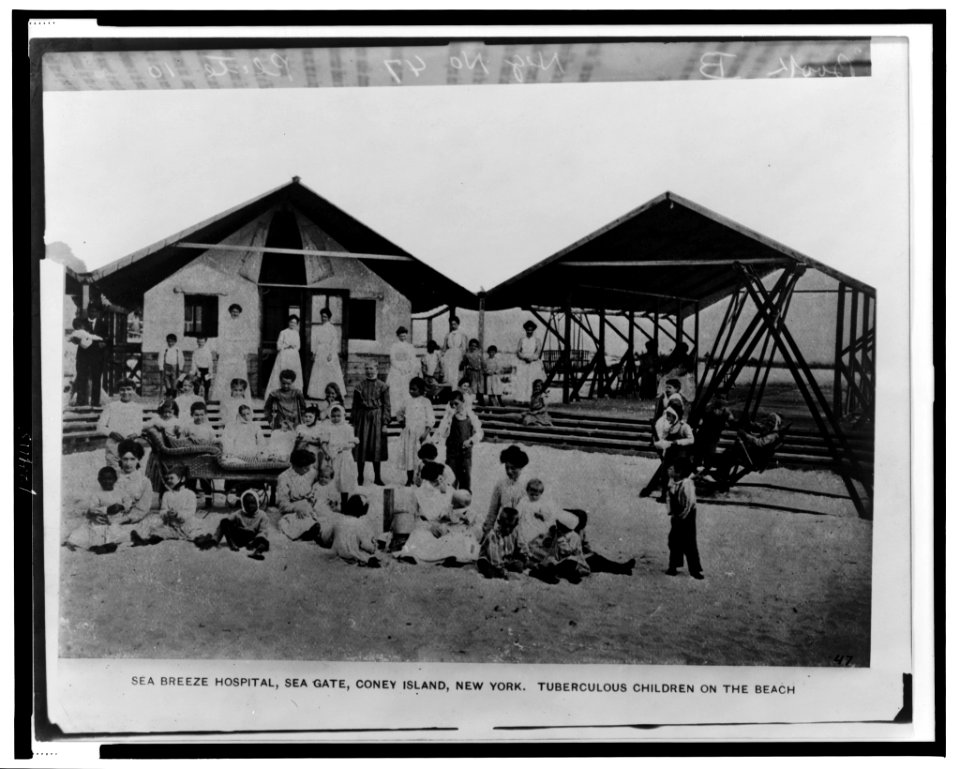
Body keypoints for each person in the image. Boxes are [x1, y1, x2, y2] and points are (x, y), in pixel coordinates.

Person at [397, 466, 480, 565]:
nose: (439, 481)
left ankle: (451, 556)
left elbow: (459, 508)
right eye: (434, 481)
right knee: (418, 536)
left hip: (447, 526)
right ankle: (441, 556)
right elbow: (416, 519)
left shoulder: (448, 489)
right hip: (428, 527)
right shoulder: (418, 493)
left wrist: (453, 518)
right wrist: (429, 526)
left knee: (459, 537)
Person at [130, 464, 208, 546]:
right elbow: (162, 510)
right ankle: (145, 541)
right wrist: (167, 513)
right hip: (171, 525)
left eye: (172, 478)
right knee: (157, 533)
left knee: (195, 534)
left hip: (185, 524)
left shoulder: (190, 494)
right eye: (168, 478)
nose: (169, 480)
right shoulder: (167, 494)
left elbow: (190, 513)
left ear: (182, 479)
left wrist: (178, 514)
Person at [63, 466, 127, 554]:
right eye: (104, 479)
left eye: (110, 479)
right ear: (99, 480)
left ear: (115, 479)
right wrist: (106, 510)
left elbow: (128, 501)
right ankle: (96, 547)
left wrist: (122, 506)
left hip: (115, 520)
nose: (107, 482)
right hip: (101, 520)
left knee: (118, 533)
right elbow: (93, 508)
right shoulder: (97, 494)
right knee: (96, 532)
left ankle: (109, 545)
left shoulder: (120, 492)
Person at [639, 403, 695, 501]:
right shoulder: (670, 427)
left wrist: (678, 442)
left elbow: (691, 440)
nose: (667, 417)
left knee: (677, 477)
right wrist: (658, 442)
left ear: (676, 416)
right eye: (667, 415)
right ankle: (664, 495)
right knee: (664, 474)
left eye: (670, 415)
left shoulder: (684, 427)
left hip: (680, 455)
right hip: (670, 454)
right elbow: (664, 439)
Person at [431, 390, 483, 492]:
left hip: (465, 454)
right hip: (452, 453)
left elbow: (480, 432)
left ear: (463, 402)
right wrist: (433, 441)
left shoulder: (469, 416)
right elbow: (441, 431)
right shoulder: (449, 417)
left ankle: (464, 502)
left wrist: (471, 440)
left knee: (465, 479)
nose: (454, 406)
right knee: (451, 478)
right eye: (452, 404)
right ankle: (451, 502)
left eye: (456, 403)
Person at [201, 489, 270, 560]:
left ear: (257, 503)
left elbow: (263, 531)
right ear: (243, 504)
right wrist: (215, 539)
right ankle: (232, 544)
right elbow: (225, 522)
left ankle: (258, 552)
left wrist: (255, 541)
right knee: (224, 521)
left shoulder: (262, 515)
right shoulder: (239, 513)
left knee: (264, 541)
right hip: (239, 536)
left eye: (252, 503)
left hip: (252, 538)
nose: (250, 506)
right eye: (247, 503)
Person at [351, 361, 390, 487]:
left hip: (377, 418)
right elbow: (355, 406)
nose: (369, 371)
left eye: (371, 368)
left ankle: (377, 477)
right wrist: (353, 422)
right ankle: (360, 476)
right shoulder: (359, 387)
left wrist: (385, 423)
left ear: (377, 369)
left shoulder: (383, 386)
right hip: (362, 418)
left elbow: (387, 406)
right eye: (367, 368)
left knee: (376, 447)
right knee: (361, 447)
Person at [527, 510, 591, 585]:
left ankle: (567, 575)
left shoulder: (574, 537)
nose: (558, 527)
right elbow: (549, 545)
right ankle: (543, 573)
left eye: (560, 526)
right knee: (549, 563)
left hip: (570, 560)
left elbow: (567, 551)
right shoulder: (558, 532)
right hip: (555, 559)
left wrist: (561, 539)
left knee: (569, 564)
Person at [665, 457, 703, 579]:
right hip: (677, 515)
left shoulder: (687, 485)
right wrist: (671, 513)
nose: (668, 470)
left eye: (671, 468)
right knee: (674, 541)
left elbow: (689, 504)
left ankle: (695, 570)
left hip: (688, 517)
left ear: (678, 472)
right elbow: (669, 498)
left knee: (689, 543)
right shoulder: (672, 482)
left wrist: (681, 517)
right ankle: (673, 566)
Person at [567, 509, 636, 575]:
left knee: (599, 560)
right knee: (598, 563)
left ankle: (622, 568)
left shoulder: (579, 529)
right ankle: (622, 569)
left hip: (580, 556)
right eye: (582, 523)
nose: (584, 525)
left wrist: (589, 552)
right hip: (571, 560)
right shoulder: (567, 533)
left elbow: (584, 544)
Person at [481, 445, 529, 538]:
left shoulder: (527, 485)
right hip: (503, 529)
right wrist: (487, 532)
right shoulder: (501, 484)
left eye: (513, 468)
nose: (509, 471)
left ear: (521, 467)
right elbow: (493, 511)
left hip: (521, 531)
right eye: (507, 468)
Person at [96, 379, 145, 468]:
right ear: (118, 391)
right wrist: (111, 433)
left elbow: (139, 426)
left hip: (131, 445)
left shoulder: (137, 408)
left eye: (129, 389)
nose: (125, 392)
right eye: (122, 389)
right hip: (114, 446)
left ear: (134, 390)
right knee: (114, 471)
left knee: (130, 472)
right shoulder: (111, 406)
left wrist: (135, 434)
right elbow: (100, 426)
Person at [397, 377, 434, 486]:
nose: (411, 391)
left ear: (421, 390)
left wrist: (426, 433)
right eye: (410, 389)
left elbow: (431, 419)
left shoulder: (426, 402)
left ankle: (424, 478)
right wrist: (401, 422)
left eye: (414, 389)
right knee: (410, 456)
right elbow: (399, 412)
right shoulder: (407, 401)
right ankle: (409, 479)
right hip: (409, 434)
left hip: (421, 434)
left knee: (422, 457)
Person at [276, 449, 320, 540]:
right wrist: (295, 508)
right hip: (293, 508)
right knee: (294, 522)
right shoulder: (284, 478)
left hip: (309, 505)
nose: (308, 470)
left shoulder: (311, 472)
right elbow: (282, 505)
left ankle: (312, 527)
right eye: (305, 468)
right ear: (294, 466)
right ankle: (307, 531)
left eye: (309, 467)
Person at [477, 506, 528, 580]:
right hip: (491, 560)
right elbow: (493, 556)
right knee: (484, 563)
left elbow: (521, 545)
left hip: (507, 560)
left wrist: (524, 556)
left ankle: (502, 570)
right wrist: (503, 570)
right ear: (499, 522)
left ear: (516, 525)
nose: (507, 529)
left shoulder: (515, 533)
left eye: (511, 527)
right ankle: (494, 571)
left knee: (519, 565)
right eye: (505, 526)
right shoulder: (493, 535)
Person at [331, 494, 381, 568]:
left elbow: (328, 538)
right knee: (366, 553)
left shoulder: (338, 521)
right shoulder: (359, 524)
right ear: (360, 510)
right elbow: (367, 546)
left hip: (338, 553)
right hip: (352, 557)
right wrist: (374, 547)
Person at [306, 306, 346, 399]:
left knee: (329, 373)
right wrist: (314, 353)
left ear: (329, 317)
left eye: (325, 316)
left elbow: (334, 342)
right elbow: (316, 342)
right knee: (319, 372)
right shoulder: (319, 328)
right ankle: (318, 394)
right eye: (322, 316)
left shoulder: (332, 328)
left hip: (328, 351)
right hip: (320, 351)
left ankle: (332, 393)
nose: (323, 318)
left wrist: (331, 354)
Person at [74, 304, 109, 407]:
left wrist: (104, 343)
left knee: (96, 379)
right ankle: (81, 401)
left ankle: (95, 402)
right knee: (82, 378)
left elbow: (107, 339)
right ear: (88, 312)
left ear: (98, 313)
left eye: (95, 311)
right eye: (91, 311)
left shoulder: (103, 324)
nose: (92, 313)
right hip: (83, 356)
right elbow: (76, 337)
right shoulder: (81, 323)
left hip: (97, 357)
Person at [212, 303, 249, 402]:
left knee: (238, 371)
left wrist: (245, 352)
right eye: (233, 311)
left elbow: (246, 339)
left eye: (237, 312)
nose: (235, 313)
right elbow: (220, 338)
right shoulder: (224, 323)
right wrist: (219, 351)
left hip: (238, 349)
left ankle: (239, 395)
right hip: (227, 349)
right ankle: (222, 396)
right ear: (230, 312)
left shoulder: (243, 324)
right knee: (225, 372)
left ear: (239, 313)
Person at [113, 440, 154, 526]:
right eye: (125, 459)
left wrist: (124, 519)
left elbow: (142, 509)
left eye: (132, 459)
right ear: (120, 458)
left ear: (138, 459)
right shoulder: (112, 477)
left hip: (132, 522)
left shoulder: (144, 482)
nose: (128, 463)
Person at [326, 404, 359, 509]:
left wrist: (344, 446)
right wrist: (331, 452)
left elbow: (353, 443)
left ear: (343, 415)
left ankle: (345, 502)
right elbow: (326, 442)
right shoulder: (329, 428)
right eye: (333, 416)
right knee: (334, 478)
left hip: (345, 457)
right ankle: (334, 502)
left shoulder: (347, 428)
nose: (336, 418)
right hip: (334, 457)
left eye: (338, 416)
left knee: (344, 479)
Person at [692, 395, 735, 471]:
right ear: (715, 398)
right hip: (704, 434)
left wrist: (727, 423)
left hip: (714, 437)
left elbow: (731, 420)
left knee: (710, 453)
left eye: (723, 398)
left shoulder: (726, 411)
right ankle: (695, 468)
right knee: (699, 452)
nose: (720, 400)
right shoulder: (709, 407)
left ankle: (706, 469)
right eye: (719, 398)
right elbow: (704, 416)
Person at [265, 315, 303, 395]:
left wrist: (294, 348)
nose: (292, 324)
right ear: (288, 322)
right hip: (284, 356)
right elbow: (278, 346)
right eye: (291, 322)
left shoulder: (296, 333)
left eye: (295, 323)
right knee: (282, 372)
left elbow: (298, 346)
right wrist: (287, 346)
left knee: (293, 373)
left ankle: (293, 394)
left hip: (293, 357)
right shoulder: (283, 332)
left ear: (297, 324)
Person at [387, 326, 420, 417]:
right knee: (396, 392)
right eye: (401, 336)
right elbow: (392, 359)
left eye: (404, 336)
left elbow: (412, 359)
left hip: (407, 370)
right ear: (398, 336)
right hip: (396, 370)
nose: (403, 338)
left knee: (406, 390)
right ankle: (395, 411)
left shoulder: (410, 346)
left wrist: (409, 369)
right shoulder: (394, 346)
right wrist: (399, 368)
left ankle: (406, 411)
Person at [515, 478, 559, 546]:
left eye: (536, 495)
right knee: (524, 537)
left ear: (541, 494)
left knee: (536, 539)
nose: (534, 497)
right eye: (531, 494)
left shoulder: (542, 503)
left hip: (536, 524)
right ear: (527, 492)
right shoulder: (524, 501)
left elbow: (548, 516)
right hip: (525, 524)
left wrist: (541, 515)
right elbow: (518, 511)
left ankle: (534, 549)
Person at [514, 320, 546, 404]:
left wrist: (532, 358)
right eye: (528, 330)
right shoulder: (522, 339)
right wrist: (523, 357)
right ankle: (522, 399)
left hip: (533, 362)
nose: (529, 331)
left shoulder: (537, 340)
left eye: (531, 330)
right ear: (525, 330)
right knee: (522, 381)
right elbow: (518, 351)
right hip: (523, 362)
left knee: (532, 381)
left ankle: (531, 400)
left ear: (533, 330)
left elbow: (538, 352)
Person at [295, 404, 328, 469]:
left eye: (310, 417)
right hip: (302, 451)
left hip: (314, 451)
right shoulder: (301, 427)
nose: (307, 419)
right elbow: (297, 441)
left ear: (316, 418)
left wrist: (308, 440)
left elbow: (321, 442)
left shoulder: (320, 427)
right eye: (306, 416)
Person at [441, 316, 467, 391]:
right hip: (449, 356)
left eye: (455, 324)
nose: (453, 326)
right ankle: (449, 392)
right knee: (449, 374)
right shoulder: (448, 335)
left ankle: (456, 392)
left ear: (458, 324)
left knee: (457, 374)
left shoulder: (462, 334)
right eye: (451, 324)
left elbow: (464, 348)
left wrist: (463, 359)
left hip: (458, 356)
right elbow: (444, 348)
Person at [160, 333, 186, 400]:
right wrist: (161, 367)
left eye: (172, 342)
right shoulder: (165, 349)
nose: (170, 343)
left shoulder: (177, 349)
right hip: (166, 366)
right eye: (169, 341)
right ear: (167, 341)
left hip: (175, 367)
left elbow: (181, 359)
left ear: (175, 342)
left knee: (175, 380)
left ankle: (174, 394)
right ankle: (168, 392)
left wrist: (180, 368)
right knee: (166, 379)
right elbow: (160, 358)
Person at [191, 335, 214, 401]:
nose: (200, 343)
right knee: (196, 384)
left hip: (206, 370)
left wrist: (210, 371)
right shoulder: (195, 351)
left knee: (207, 384)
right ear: (197, 341)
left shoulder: (207, 350)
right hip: (198, 370)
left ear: (205, 341)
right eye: (199, 342)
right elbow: (194, 361)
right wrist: (195, 371)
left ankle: (206, 396)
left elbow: (210, 362)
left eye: (202, 342)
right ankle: (195, 397)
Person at [462, 339, 484, 405]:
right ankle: (472, 402)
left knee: (480, 387)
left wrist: (482, 370)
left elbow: (482, 363)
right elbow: (465, 364)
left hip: (479, 372)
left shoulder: (479, 353)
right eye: (472, 345)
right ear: (469, 346)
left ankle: (481, 402)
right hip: (471, 372)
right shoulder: (467, 354)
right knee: (472, 387)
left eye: (475, 346)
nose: (473, 347)